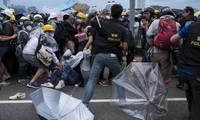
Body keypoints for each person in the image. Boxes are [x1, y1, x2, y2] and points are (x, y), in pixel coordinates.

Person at [82, 4, 128, 107]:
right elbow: (125, 46)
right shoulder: (122, 28)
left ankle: (85, 103)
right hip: (113, 56)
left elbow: (87, 23)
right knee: (120, 78)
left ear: (110, 13)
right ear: (121, 14)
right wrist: (116, 42)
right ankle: (122, 101)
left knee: (92, 80)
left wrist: (95, 15)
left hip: (99, 56)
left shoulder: (102, 23)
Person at [170, 20, 200, 120]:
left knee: (190, 93)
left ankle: (191, 113)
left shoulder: (191, 27)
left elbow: (173, 39)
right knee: (198, 103)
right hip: (196, 71)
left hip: (183, 68)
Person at [146, 7, 180, 90]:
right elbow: (179, 40)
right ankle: (161, 100)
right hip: (167, 54)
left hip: (154, 53)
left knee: (154, 75)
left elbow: (148, 34)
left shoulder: (155, 22)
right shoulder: (177, 24)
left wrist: (152, 43)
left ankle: (152, 95)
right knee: (166, 79)